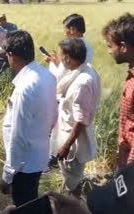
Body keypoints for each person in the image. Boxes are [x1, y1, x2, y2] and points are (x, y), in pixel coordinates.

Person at [0, 30, 57, 213]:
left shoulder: (25, 88)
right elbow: (54, 115)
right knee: (31, 202)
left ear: (11, 55)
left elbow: (18, 138)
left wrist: (7, 176)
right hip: (38, 157)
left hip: (23, 165)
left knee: (24, 207)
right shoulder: (47, 76)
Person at [50, 38, 100, 198]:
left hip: (73, 142)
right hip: (69, 134)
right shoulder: (85, 69)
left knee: (72, 182)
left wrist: (66, 146)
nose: (61, 59)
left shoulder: (81, 84)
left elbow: (81, 120)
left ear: (68, 58)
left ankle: (74, 204)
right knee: (72, 178)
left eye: (62, 55)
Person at [45, 13, 94, 171]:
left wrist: (54, 65)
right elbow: (69, 68)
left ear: (73, 29)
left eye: (66, 29)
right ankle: (55, 158)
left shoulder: (76, 47)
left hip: (67, 93)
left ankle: (55, 158)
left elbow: (64, 73)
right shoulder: (86, 47)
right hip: (69, 92)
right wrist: (58, 63)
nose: (64, 32)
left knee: (61, 126)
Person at [102, 13, 134, 169]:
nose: (109, 51)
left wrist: (130, 171)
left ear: (123, 47)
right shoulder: (131, 75)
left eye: (110, 45)